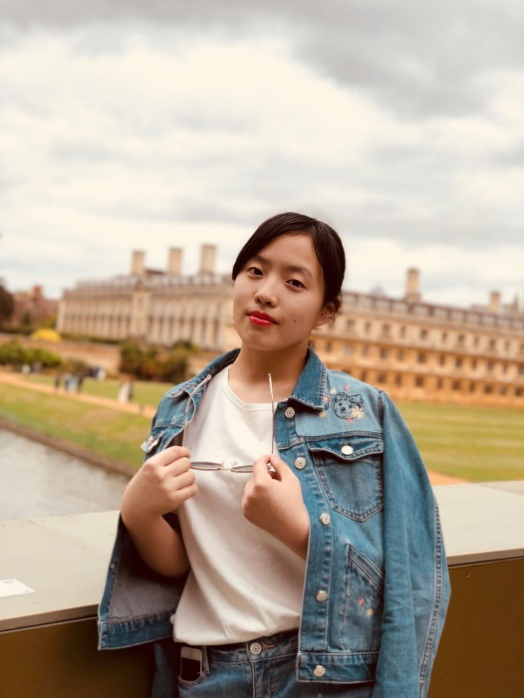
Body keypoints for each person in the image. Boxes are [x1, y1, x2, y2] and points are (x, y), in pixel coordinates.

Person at [98, 213, 451, 697]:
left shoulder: (368, 414)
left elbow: (413, 582)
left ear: (328, 310)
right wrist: (138, 514)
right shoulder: (179, 410)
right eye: (255, 272)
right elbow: (184, 564)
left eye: (294, 282)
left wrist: (300, 532)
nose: (265, 293)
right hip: (207, 676)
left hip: (322, 679)